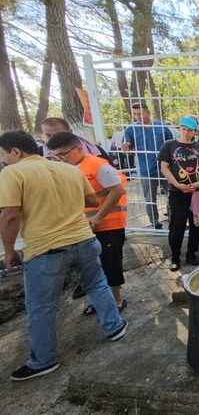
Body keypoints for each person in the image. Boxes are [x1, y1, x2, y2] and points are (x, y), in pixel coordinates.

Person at [0, 131, 127, 382]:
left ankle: (43, 360)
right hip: (84, 239)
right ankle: (115, 327)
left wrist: (9, 251)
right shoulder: (69, 170)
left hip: (46, 248)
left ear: (16, 151)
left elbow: (10, 215)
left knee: (41, 306)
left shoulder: (13, 173)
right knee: (98, 284)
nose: (4, 160)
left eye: (4, 155)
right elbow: (91, 198)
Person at [46, 131, 130, 315]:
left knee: (111, 264)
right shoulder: (68, 169)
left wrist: (98, 217)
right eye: (55, 156)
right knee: (92, 267)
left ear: (77, 148)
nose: (60, 159)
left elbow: (117, 191)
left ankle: (117, 300)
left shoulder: (97, 165)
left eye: (63, 154)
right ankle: (100, 299)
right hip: (85, 227)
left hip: (109, 225)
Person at [158, 116, 199, 271]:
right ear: (179, 128)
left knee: (196, 224)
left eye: (189, 129)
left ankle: (191, 253)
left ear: (195, 132)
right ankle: (175, 257)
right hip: (177, 193)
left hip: (196, 192)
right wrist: (177, 184)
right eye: (183, 128)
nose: (186, 132)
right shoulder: (169, 145)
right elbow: (164, 167)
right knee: (177, 225)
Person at [122, 102, 174, 229]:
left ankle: (173, 219)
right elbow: (126, 145)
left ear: (147, 112)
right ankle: (155, 223)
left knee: (172, 195)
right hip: (146, 169)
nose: (137, 116)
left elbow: (171, 145)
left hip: (165, 168)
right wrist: (126, 146)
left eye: (140, 113)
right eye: (134, 114)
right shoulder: (130, 129)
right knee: (150, 198)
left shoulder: (161, 126)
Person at [40, 117, 112, 164]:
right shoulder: (37, 154)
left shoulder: (96, 151)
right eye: (48, 135)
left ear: (70, 132)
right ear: (43, 135)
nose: (53, 138)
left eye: (58, 134)